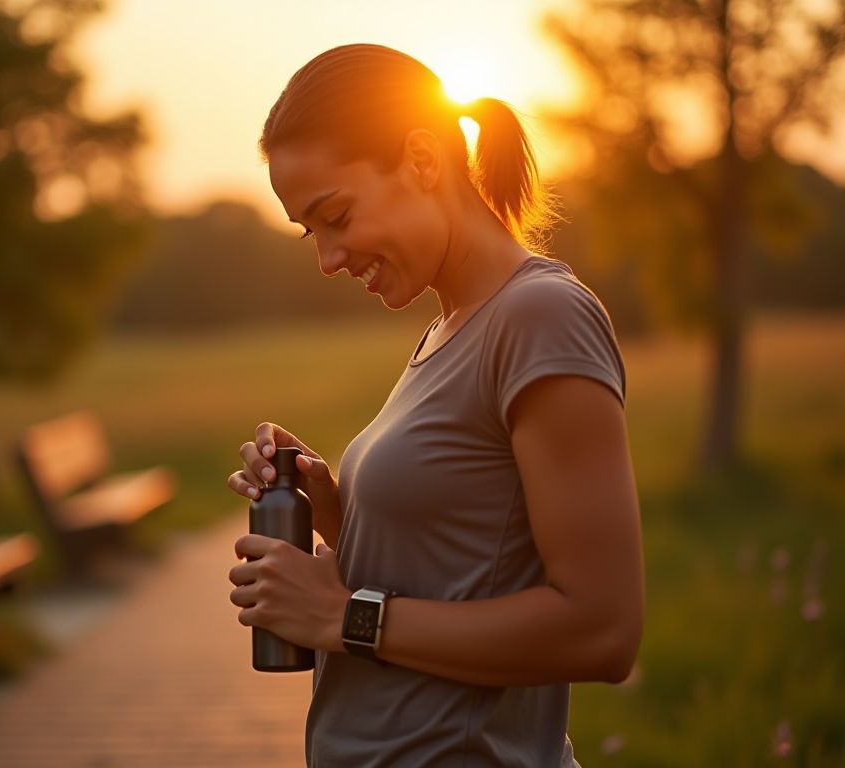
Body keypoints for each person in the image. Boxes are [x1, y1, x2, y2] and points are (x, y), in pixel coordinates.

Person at [227, 43, 644, 767]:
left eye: (337, 215)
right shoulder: (448, 329)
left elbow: (601, 631)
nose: (327, 259)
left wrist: (340, 615)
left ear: (421, 159)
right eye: (311, 231)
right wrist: (333, 510)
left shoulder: (540, 317)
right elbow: (465, 565)